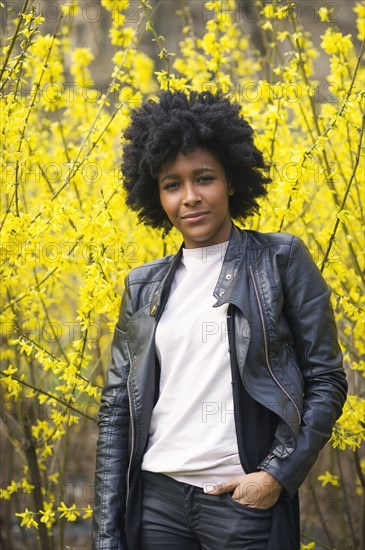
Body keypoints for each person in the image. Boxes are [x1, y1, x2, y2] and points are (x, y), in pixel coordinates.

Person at [92, 90, 347, 550]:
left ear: (230, 179)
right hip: (156, 502)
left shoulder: (281, 260)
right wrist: (107, 536)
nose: (190, 198)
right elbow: (117, 414)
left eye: (203, 178)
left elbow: (326, 379)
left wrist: (277, 475)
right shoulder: (143, 286)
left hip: (241, 502)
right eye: (172, 184)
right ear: (157, 195)